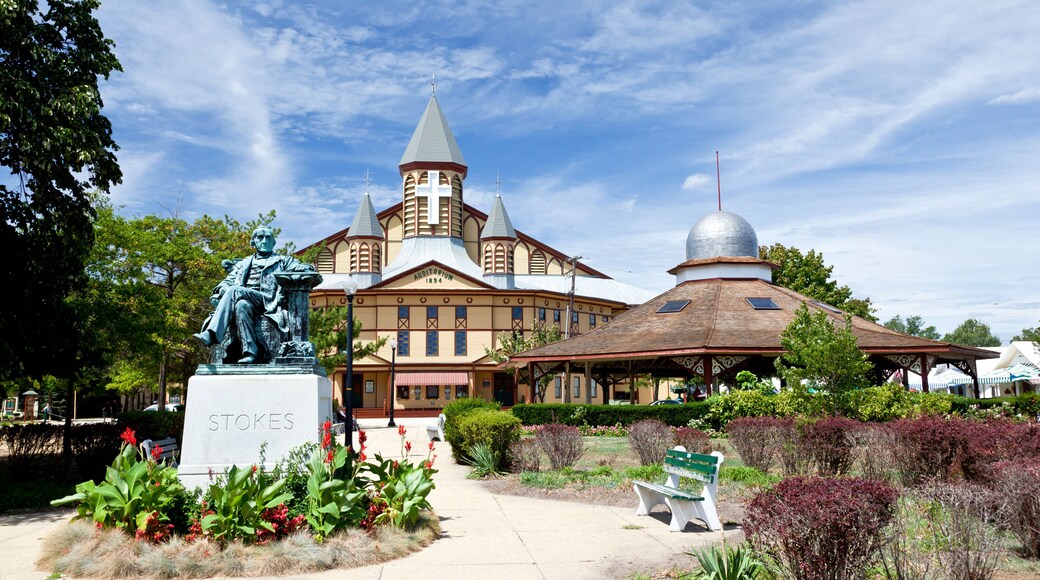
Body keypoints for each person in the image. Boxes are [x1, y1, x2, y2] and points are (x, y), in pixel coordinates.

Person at [194, 226, 316, 363]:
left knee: (234, 290)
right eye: (260, 237)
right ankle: (250, 352)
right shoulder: (243, 264)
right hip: (247, 302)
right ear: (253, 242)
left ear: (273, 242)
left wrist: (308, 267)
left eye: (268, 237)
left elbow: (303, 268)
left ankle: (211, 334)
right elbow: (226, 282)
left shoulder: (282, 260)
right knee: (241, 306)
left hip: (268, 301)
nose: (264, 241)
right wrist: (223, 288)